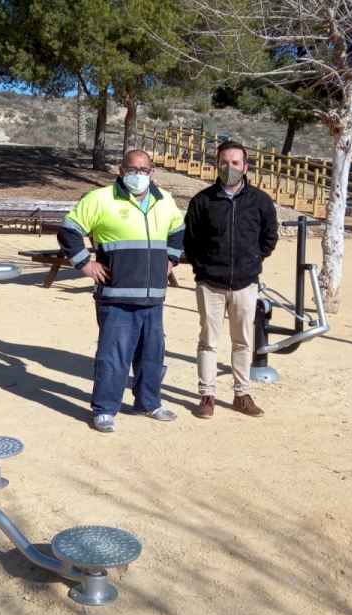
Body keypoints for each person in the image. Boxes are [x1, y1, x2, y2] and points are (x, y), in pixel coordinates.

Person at [58, 149, 186, 433]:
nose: (138, 175)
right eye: (132, 169)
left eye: (143, 170)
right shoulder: (100, 198)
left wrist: (171, 258)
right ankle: (104, 409)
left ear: (152, 172)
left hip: (153, 296)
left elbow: (178, 230)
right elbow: (68, 230)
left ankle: (149, 403)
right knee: (113, 356)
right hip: (116, 295)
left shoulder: (165, 200)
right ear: (121, 170)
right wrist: (85, 264)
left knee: (152, 355)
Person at [183, 140, 279, 419]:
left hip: (245, 284)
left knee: (243, 342)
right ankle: (207, 395)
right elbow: (190, 241)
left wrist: (252, 261)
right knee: (208, 342)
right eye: (224, 162)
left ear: (245, 167)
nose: (230, 167)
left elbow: (269, 238)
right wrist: (203, 268)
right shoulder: (202, 201)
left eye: (235, 163)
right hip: (210, 284)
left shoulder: (260, 201)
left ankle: (242, 394)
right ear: (217, 165)